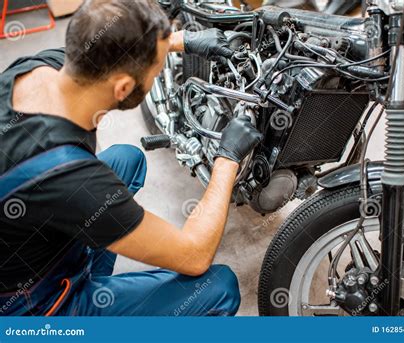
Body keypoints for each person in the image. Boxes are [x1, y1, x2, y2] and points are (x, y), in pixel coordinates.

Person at [0, 0, 262, 316]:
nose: (156, 76)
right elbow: (194, 254)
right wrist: (228, 156)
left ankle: (93, 278)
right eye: (155, 71)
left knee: (127, 159)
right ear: (123, 87)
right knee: (219, 288)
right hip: (31, 306)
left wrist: (183, 42)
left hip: (25, 240)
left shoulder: (36, 69)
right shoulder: (73, 178)